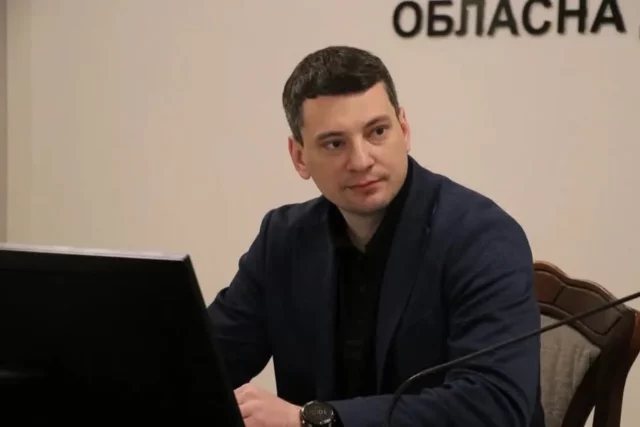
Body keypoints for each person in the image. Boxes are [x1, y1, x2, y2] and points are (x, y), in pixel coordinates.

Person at [207, 45, 545, 427]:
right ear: (299, 157)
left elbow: (495, 404)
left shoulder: (482, 237)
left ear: (404, 129)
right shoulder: (283, 240)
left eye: (377, 132)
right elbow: (205, 364)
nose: (361, 160)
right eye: (335, 143)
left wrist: (311, 420)